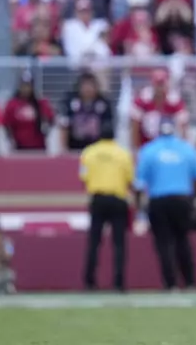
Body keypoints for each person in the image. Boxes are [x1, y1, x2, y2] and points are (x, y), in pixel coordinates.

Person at [135, 117, 196, 291]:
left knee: (163, 242)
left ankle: (171, 284)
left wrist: (139, 209)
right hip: (183, 199)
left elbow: (138, 184)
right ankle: (190, 282)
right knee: (183, 240)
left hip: (159, 200)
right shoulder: (187, 149)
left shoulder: (148, 150)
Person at [79, 122, 134, 292]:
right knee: (119, 243)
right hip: (118, 199)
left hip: (98, 198)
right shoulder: (123, 153)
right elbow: (130, 178)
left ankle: (89, 281)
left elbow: (83, 176)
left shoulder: (89, 152)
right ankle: (119, 283)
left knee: (94, 242)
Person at [59, 72, 114, 151]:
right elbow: (64, 125)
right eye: (85, 86)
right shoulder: (70, 102)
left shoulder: (104, 104)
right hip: (75, 147)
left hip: (97, 148)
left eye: (91, 85)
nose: (88, 89)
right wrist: (63, 149)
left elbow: (108, 128)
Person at [3, 72, 55, 151]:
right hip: (19, 146)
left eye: (28, 86)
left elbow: (51, 120)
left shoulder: (40, 103)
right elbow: (7, 124)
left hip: (38, 146)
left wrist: (45, 129)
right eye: (24, 86)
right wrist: (11, 140)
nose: (26, 89)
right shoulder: (12, 104)